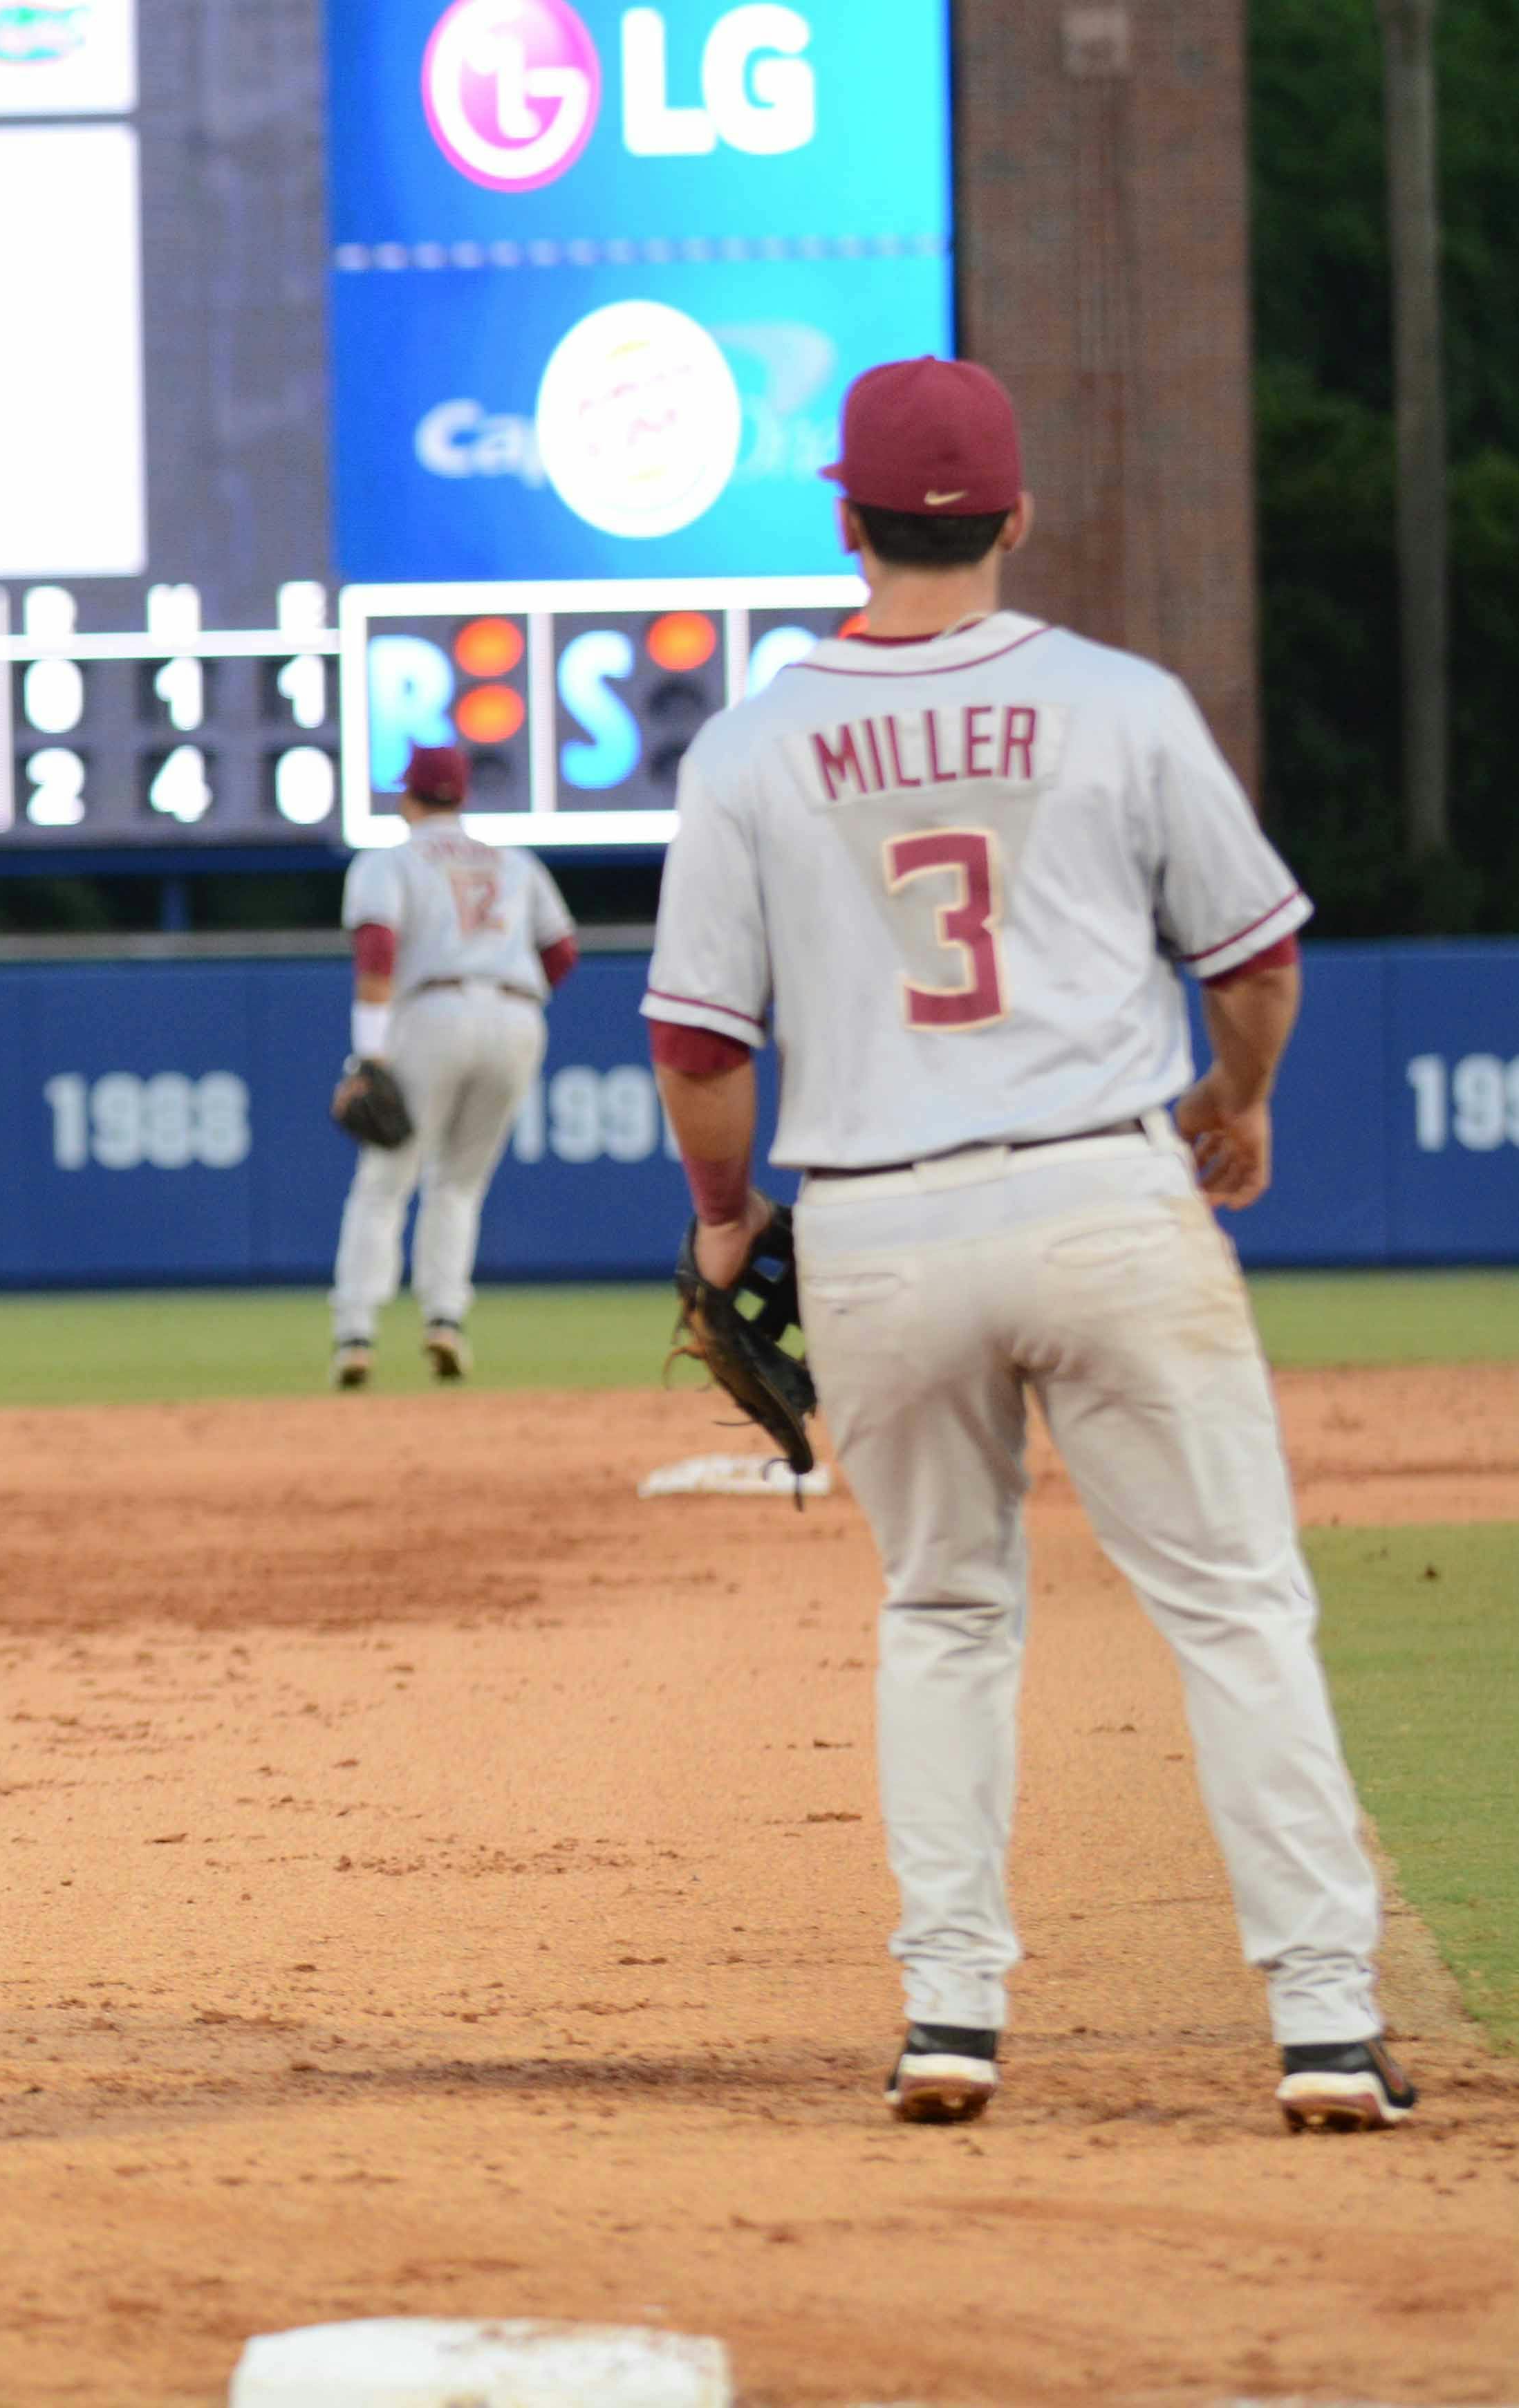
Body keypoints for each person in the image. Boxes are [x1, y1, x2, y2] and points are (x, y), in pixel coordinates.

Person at [642, 355, 1413, 2134]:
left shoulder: (754, 739)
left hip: (879, 1224)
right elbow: (1257, 957)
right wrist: (1239, 1094)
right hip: (1098, 1187)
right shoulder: (1118, 702)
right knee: (1231, 1605)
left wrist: (722, 1219)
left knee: (941, 1607)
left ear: (847, 518)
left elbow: (695, 1044)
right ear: (1013, 514)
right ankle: (1319, 2021)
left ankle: (948, 2016)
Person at [327, 743, 577, 1385]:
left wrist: (368, 1054)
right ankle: (445, 1320)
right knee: (460, 1183)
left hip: (432, 1012)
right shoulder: (514, 862)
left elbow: (377, 953)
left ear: (408, 796)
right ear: (461, 796)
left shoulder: (391, 861)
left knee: (385, 1183)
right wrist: (511, 990)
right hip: (517, 1016)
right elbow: (561, 950)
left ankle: (356, 1332)